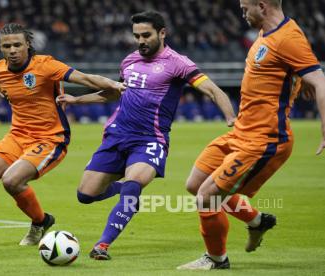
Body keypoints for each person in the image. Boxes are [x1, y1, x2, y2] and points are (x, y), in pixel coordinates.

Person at [56, 11, 236, 260]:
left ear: (162, 33)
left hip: (150, 139)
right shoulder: (129, 60)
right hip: (116, 135)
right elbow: (115, 93)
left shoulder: (178, 63)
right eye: (136, 36)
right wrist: (77, 99)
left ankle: (103, 245)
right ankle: (125, 194)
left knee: (134, 184)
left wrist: (231, 118)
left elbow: (213, 90)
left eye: (146, 35)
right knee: (85, 195)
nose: (140, 40)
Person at [0, 23, 125, 251]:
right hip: (17, 135)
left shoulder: (46, 66)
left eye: (17, 45)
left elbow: (86, 78)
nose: (12, 50)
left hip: (50, 138)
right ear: (1, 48)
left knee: (12, 181)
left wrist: (115, 85)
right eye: (7, 46)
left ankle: (39, 222)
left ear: (28, 45)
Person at [178, 0, 325, 270]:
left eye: (245, 9)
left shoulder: (288, 37)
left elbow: (320, 79)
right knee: (194, 183)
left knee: (206, 196)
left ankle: (216, 260)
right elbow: (291, 68)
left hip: (265, 139)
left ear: (262, 5)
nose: (242, 14)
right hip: (241, 131)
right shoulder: (267, 31)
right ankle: (257, 221)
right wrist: (299, 79)